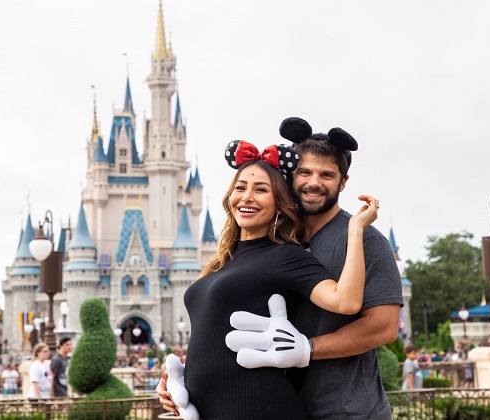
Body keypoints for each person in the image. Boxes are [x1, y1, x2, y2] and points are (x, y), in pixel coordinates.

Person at [159, 118, 401, 419]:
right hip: (282, 399)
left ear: (343, 182)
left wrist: (306, 349)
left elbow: (384, 326)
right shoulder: (274, 244)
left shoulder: (361, 240)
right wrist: (184, 377)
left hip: (344, 409)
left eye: (326, 174)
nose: (314, 182)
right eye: (305, 172)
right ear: (289, 178)